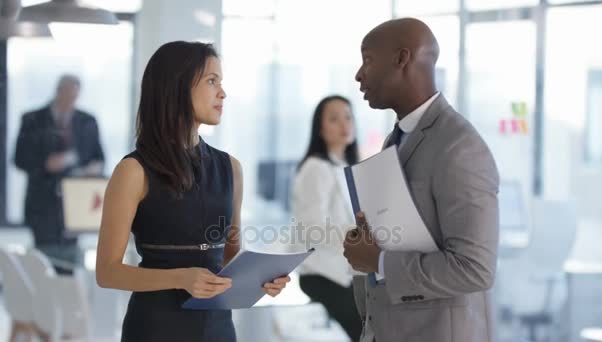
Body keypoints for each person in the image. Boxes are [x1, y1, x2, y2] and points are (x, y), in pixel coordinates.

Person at [95, 41, 290, 341]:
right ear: (177, 87)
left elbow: (229, 260)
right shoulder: (133, 171)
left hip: (218, 329)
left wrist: (262, 279)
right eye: (212, 81)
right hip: (155, 328)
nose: (222, 93)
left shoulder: (231, 168)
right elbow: (107, 272)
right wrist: (179, 278)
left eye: (221, 83)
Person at [343, 18, 499, 342]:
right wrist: (370, 242)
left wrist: (379, 260)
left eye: (368, 60)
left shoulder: (460, 146)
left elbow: (475, 268)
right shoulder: (397, 139)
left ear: (402, 59)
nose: (359, 74)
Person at [14, 74, 104, 273]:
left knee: (71, 267)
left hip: (75, 206)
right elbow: (19, 159)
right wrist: (45, 164)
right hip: (42, 205)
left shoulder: (87, 122)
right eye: (66, 95)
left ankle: (72, 301)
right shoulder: (33, 120)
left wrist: (89, 170)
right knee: (43, 265)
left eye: (74, 97)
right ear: (58, 92)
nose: (70, 101)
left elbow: (99, 159)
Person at [292, 95, 362, 341]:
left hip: (344, 272)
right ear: (320, 129)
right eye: (334, 119)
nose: (344, 124)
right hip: (323, 275)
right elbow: (312, 229)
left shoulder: (345, 166)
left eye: (348, 117)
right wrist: (359, 232)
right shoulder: (316, 167)